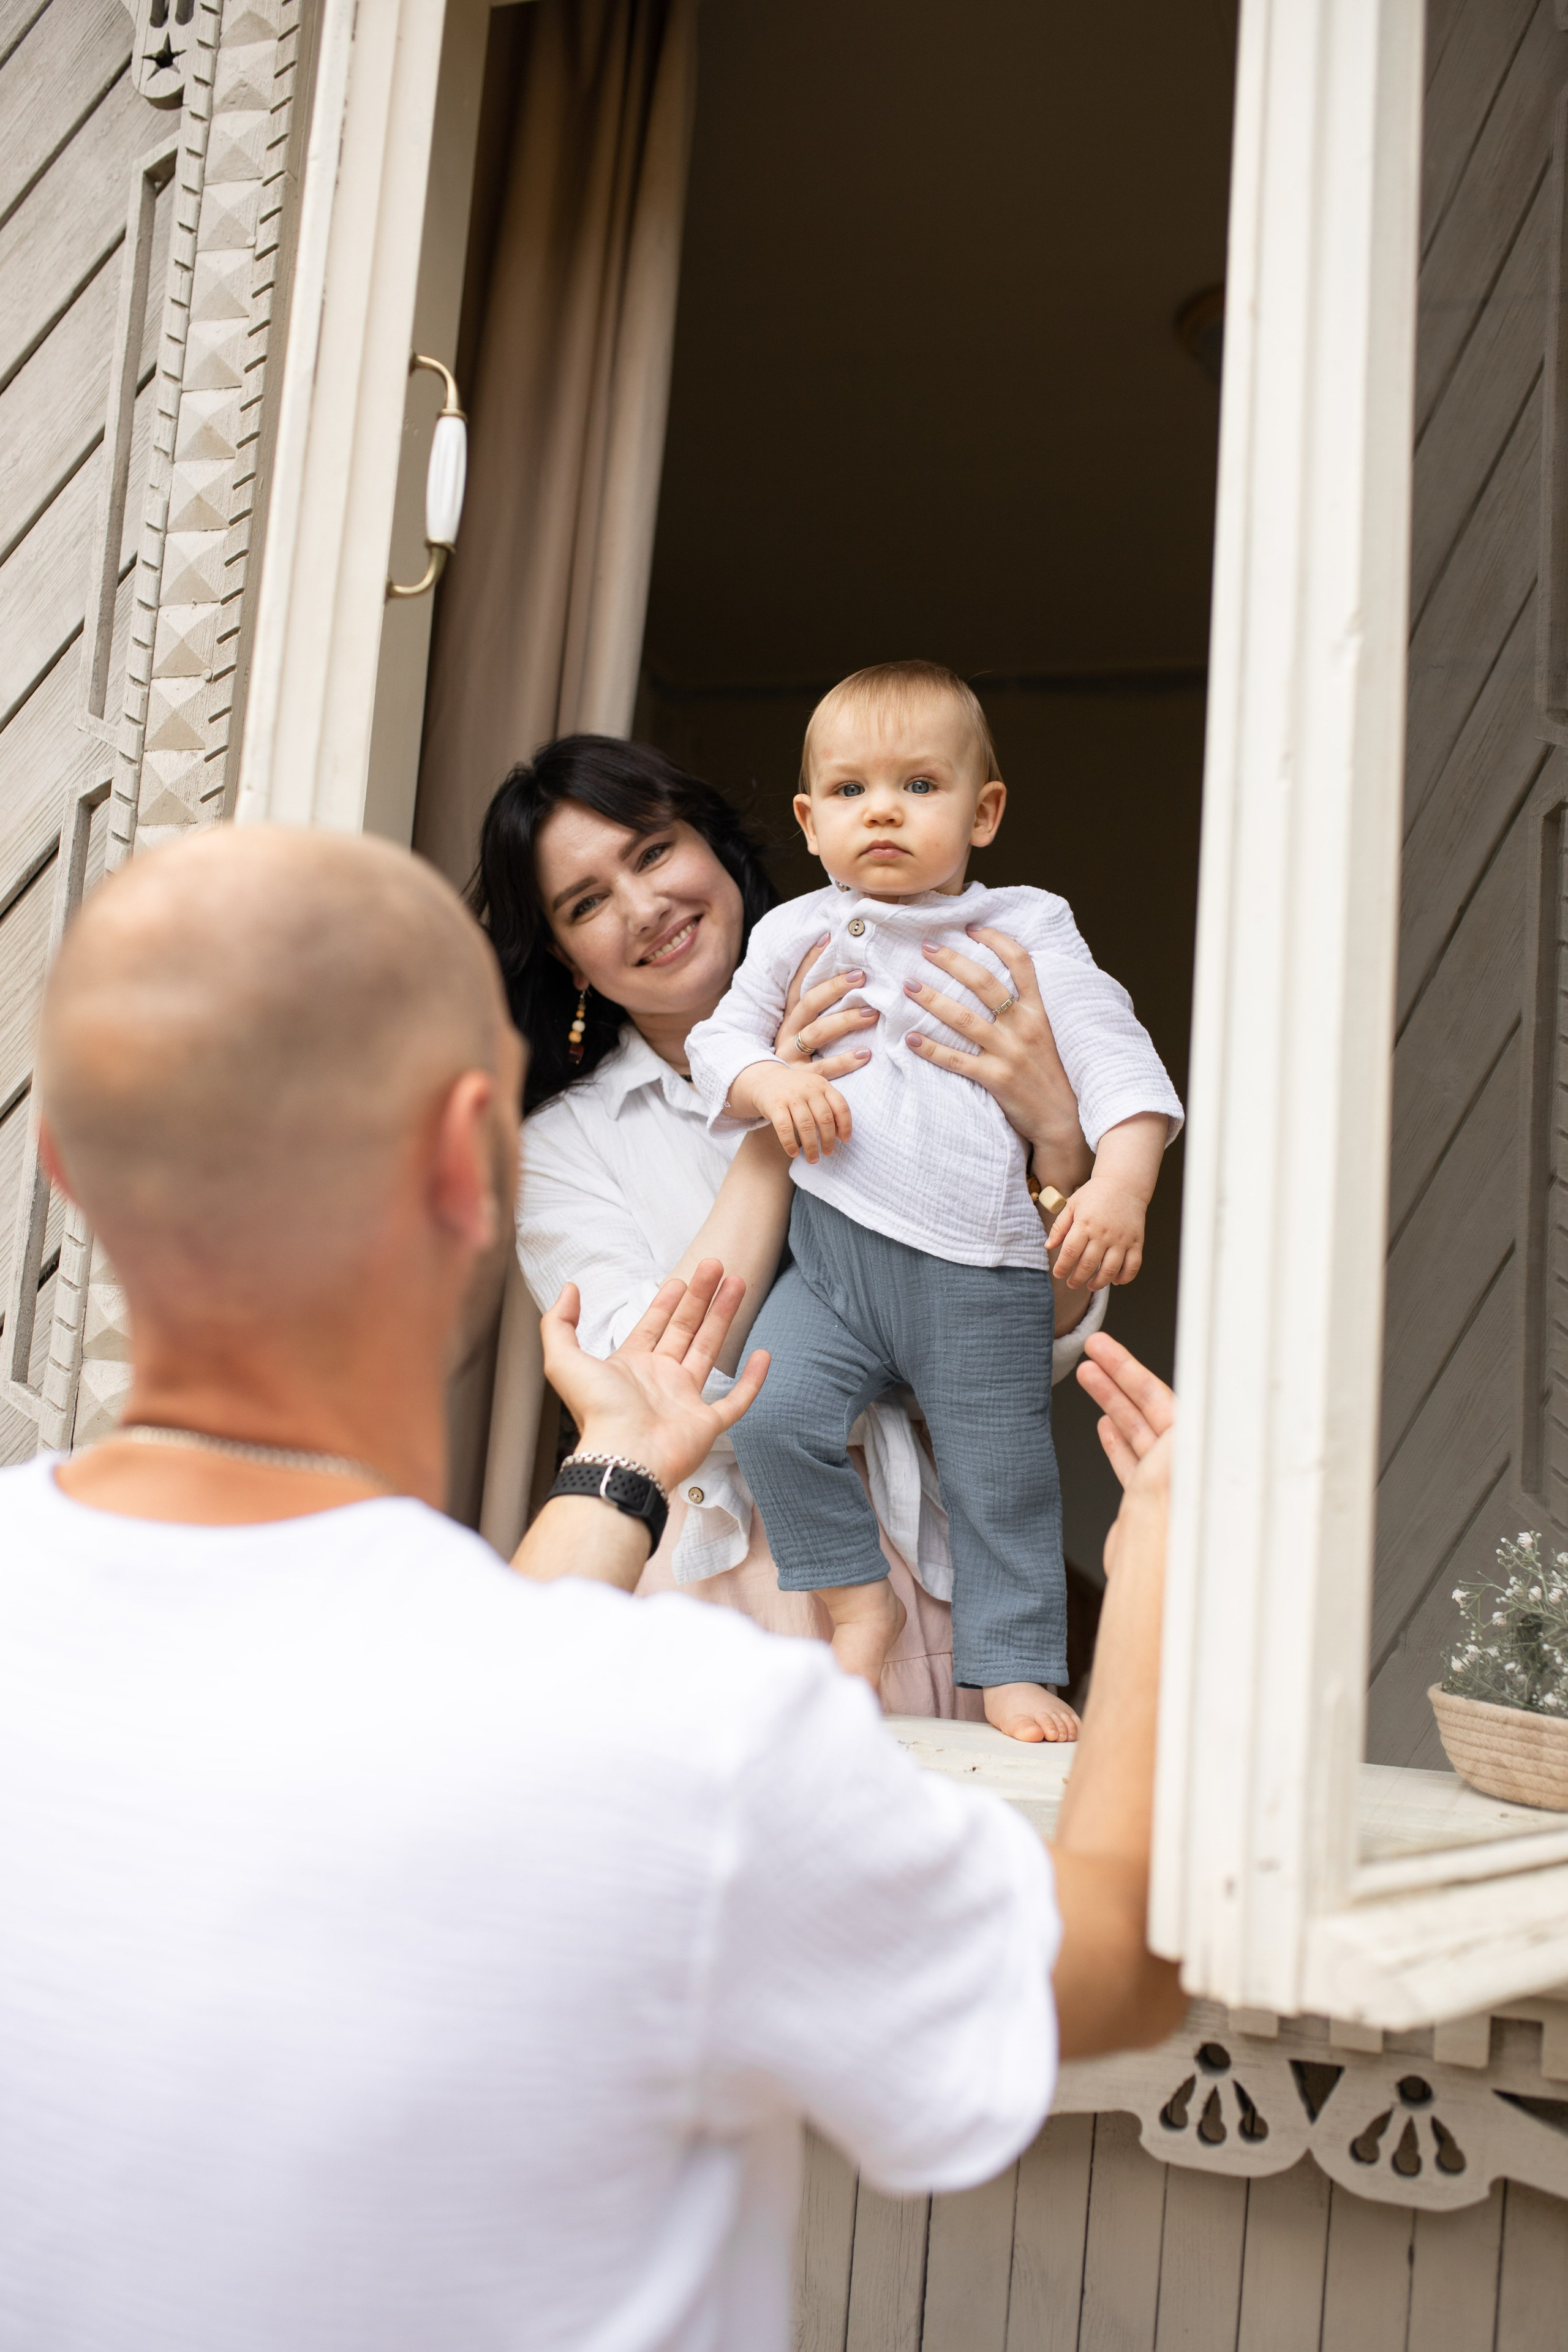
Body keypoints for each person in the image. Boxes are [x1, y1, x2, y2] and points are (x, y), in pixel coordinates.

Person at [0, 824, 1182, 2352]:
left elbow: (437, 1699)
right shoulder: (694, 1747)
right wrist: (1162, 1563)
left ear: (63, 1165)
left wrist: (615, 1472)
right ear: (464, 1157)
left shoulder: (593, 1714)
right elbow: (1106, 1971)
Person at [475, 733, 1107, 1716]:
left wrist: (1061, 1143)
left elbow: (1028, 1344)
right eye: (588, 903)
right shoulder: (564, 1143)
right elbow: (659, 1382)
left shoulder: (924, 1016)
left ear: (718, 850)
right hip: (718, 1593)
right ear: (569, 962)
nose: (645, 908)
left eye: (651, 853)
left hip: (937, 1572)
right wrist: (773, 1117)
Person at [687, 663, 1183, 1741]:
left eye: (920, 786)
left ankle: (1015, 1670)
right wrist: (770, 1079)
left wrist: (1119, 1182)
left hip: (982, 1267)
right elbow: (716, 1040)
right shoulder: (792, 933)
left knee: (999, 1477)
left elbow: (1120, 1067)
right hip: (829, 1261)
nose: (885, 812)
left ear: (984, 812)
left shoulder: (1031, 926)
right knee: (773, 1416)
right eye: (854, 791)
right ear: (813, 822)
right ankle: (855, 1599)